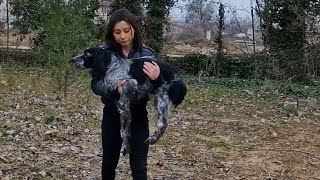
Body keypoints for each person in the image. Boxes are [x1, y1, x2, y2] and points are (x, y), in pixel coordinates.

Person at [91, 8, 160, 180]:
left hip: (138, 116)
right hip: (112, 115)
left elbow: (158, 88)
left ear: (134, 29)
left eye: (126, 31)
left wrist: (157, 78)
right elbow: (96, 85)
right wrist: (115, 89)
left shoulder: (147, 54)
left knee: (139, 167)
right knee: (109, 164)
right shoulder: (104, 54)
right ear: (111, 33)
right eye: (117, 32)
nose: (122, 36)